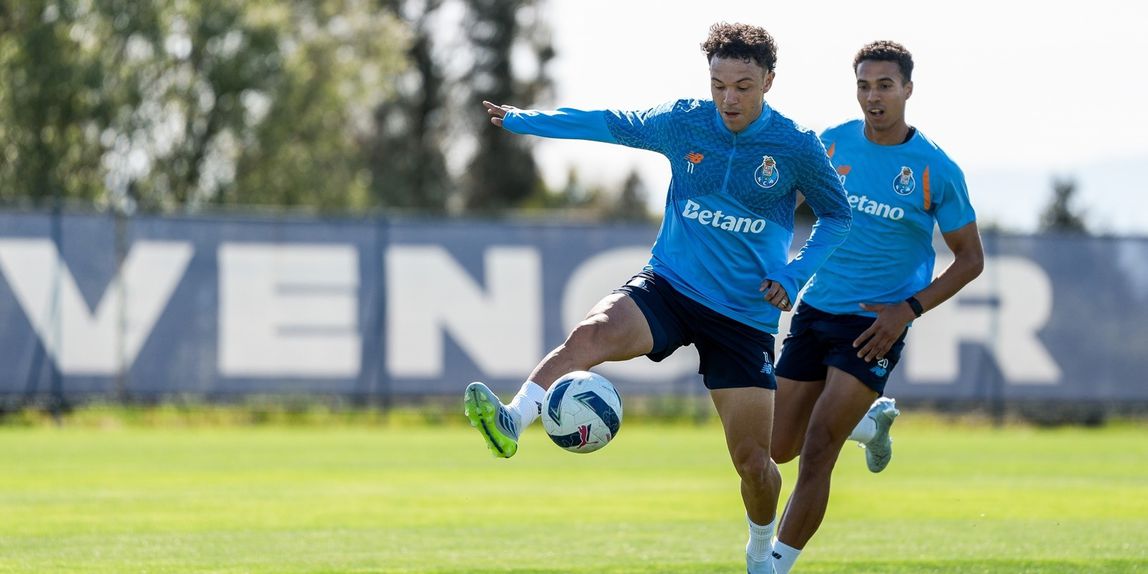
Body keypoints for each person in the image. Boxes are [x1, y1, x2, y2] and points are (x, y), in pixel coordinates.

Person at [462, 22, 852, 574]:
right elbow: (609, 124)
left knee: (754, 465)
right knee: (592, 333)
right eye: (719, 84)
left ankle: (762, 548)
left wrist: (795, 274)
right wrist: (527, 120)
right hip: (669, 285)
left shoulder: (794, 146)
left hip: (743, 316)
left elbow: (837, 216)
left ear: (768, 80)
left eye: (743, 85)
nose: (728, 98)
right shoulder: (684, 122)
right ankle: (513, 420)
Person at [768, 41, 984, 573]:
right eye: (864, 85)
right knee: (777, 448)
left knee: (819, 447)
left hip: (875, 326)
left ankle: (771, 565)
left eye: (885, 85)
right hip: (816, 310)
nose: (874, 96)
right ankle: (869, 424)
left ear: (908, 89)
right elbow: (779, 208)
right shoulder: (831, 146)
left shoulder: (935, 169)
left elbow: (970, 260)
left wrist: (906, 310)